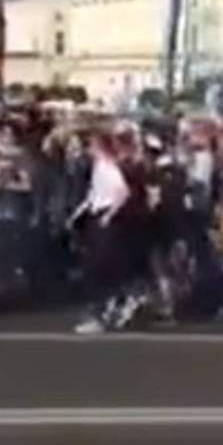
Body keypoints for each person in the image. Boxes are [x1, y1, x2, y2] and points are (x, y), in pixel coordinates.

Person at [71, 131, 132, 334]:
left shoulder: (108, 167)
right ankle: (106, 309)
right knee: (95, 265)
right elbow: (93, 194)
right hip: (95, 215)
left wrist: (109, 215)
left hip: (104, 218)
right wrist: (78, 214)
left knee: (99, 267)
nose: (89, 150)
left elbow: (123, 192)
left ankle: (102, 313)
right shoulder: (98, 167)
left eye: (91, 146)